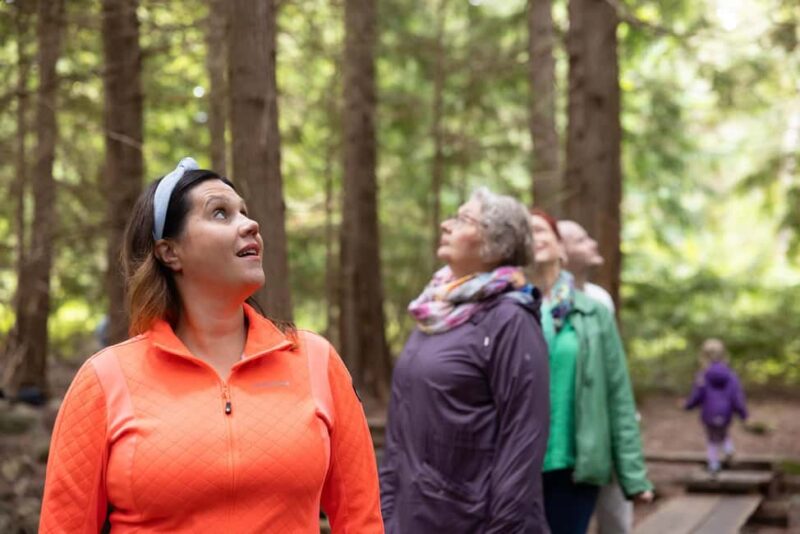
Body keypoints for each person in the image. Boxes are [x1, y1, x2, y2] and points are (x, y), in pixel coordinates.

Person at [39, 158, 383, 533]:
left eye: (245, 213)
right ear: (169, 252)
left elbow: (361, 519)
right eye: (220, 214)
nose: (250, 225)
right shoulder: (104, 380)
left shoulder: (316, 361)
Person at [379, 187, 550, 533]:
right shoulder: (433, 312)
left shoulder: (510, 319)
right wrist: (387, 508)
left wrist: (502, 528)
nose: (446, 225)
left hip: (475, 521)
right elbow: (401, 425)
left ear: (496, 243)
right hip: (414, 517)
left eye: (462, 219)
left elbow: (523, 437)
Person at [530, 209, 652, 534]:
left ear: (561, 247)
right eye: (526, 232)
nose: (535, 238)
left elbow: (617, 394)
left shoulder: (594, 311)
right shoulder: (506, 308)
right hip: (518, 464)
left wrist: (633, 475)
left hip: (575, 465)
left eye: (543, 231)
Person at [558, 219, 631, 534]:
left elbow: (612, 365)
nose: (593, 243)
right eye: (581, 239)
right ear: (561, 251)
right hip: (568, 431)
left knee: (615, 512)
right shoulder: (540, 300)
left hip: (604, 422)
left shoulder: (601, 299)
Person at [684, 338, 748, 473]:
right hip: (725, 413)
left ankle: (714, 465)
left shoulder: (702, 376)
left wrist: (687, 406)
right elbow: (736, 397)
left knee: (712, 439)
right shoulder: (731, 376)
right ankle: (728, 448)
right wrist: (742, 413)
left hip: (709, 413)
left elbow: (697, 396)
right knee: (723, 433)